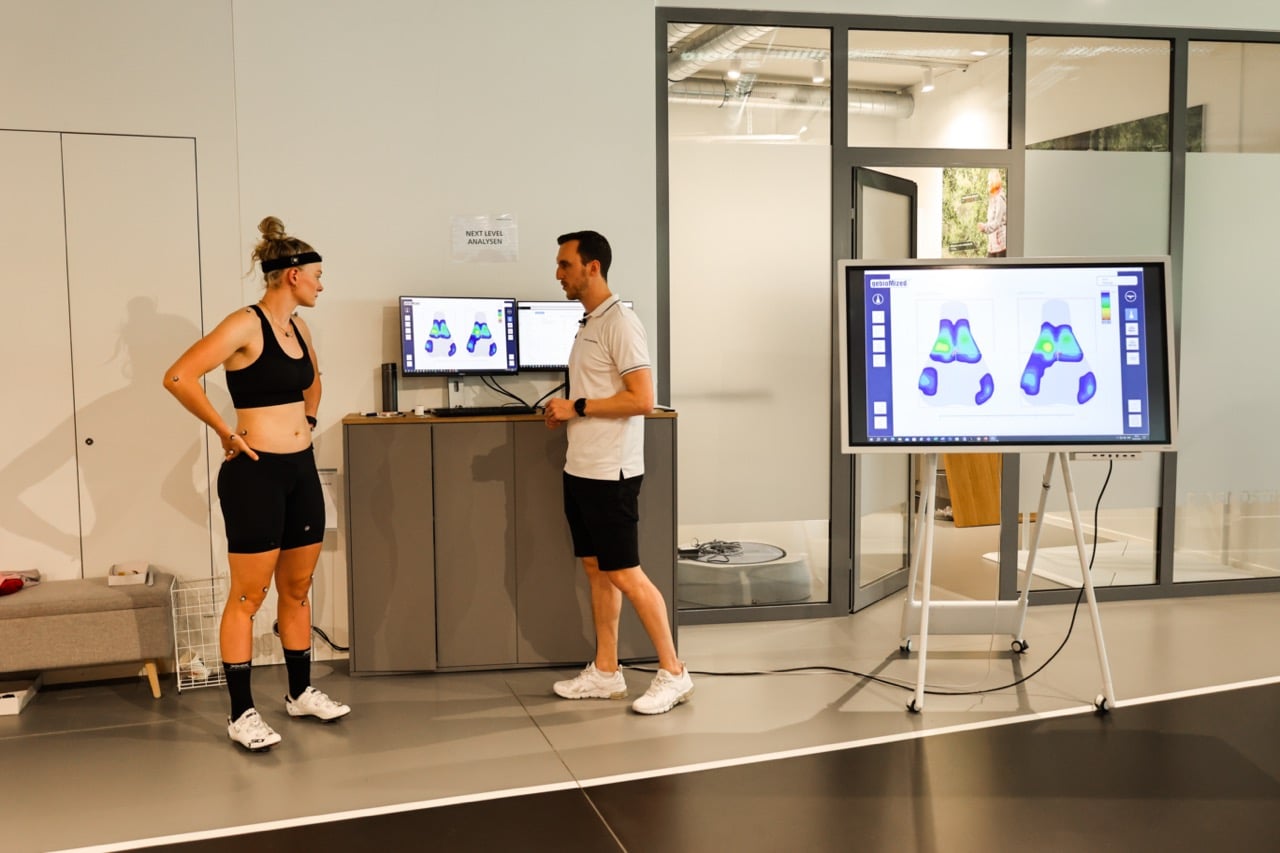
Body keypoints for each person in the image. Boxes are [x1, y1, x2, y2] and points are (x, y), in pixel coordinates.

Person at [163, 216, 350, 751]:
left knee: (298, 588)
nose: (321, 284)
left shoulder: (299, 328)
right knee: (249, 595)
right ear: (292, 275)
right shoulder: (245, 324)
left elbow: (313, 382)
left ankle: (299, 693)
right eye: (317, 275)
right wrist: (224, 431)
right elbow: (178, 376)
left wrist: (307, 423)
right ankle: (241, 712)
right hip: (255, 473)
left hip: (300, 470)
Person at [543, 230, 693, 715]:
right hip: (581, 468)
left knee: (625, 572)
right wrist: (569, 409)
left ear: (593, 267)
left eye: (565, 264)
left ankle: (674, 672)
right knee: (597, 569)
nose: (558, 273)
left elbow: (642, 399)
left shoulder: (621, 322)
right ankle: (606, 671)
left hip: (613, 473)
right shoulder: (590, 322)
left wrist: (577, 406)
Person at [978, 168, 1007, 257]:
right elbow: (991, 221)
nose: (988, 183)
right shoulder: (993, 199)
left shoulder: (1000, 199)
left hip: (1001, 246)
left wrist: (984, 227)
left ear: (994, 181)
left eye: (989, 180)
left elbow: (997, 223)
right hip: (992, 246)